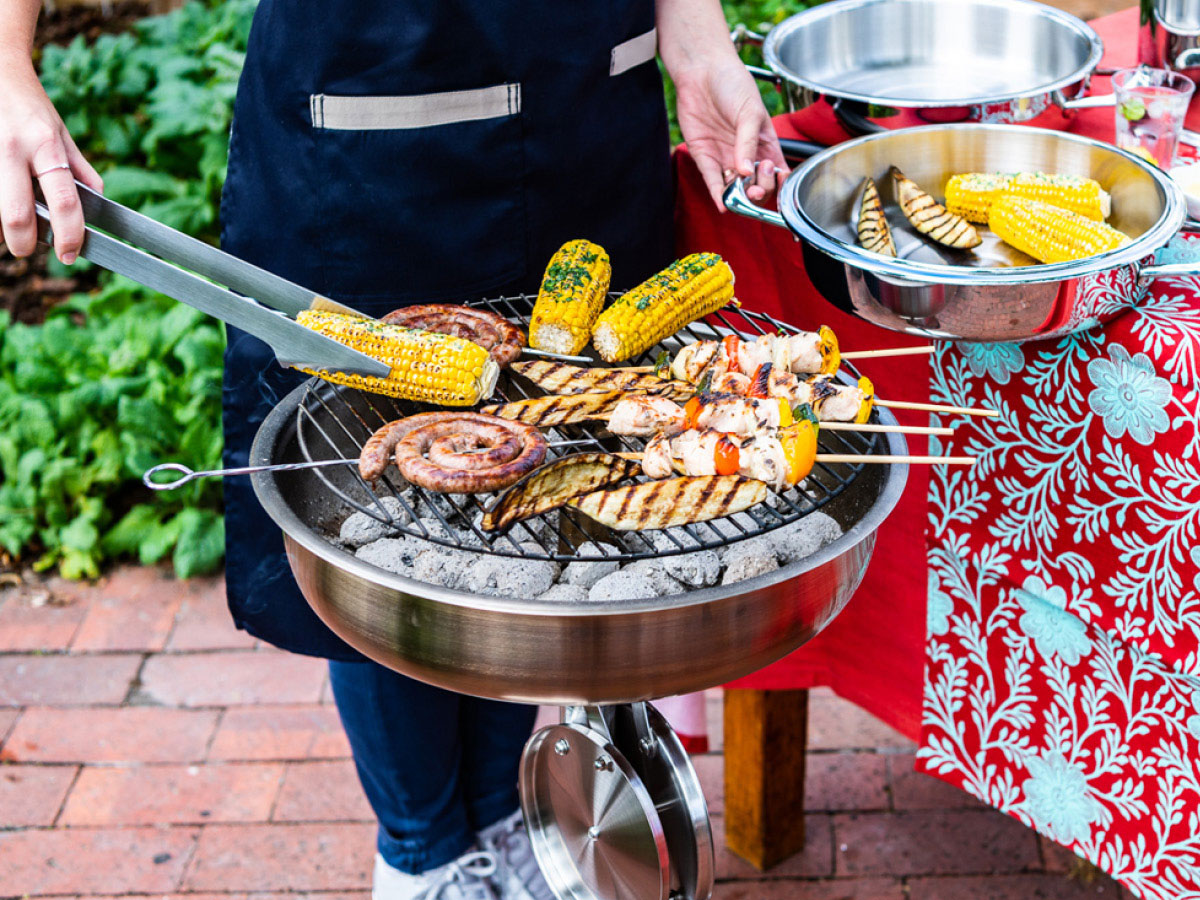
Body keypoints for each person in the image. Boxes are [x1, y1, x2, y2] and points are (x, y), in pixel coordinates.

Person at [0, 1, 786, 897]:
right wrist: (5, 69)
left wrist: (696, 39)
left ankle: (499, 822)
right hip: (367, 114)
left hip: (587, 100)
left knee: (539, 488)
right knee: (369, 517)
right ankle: (420, 857)